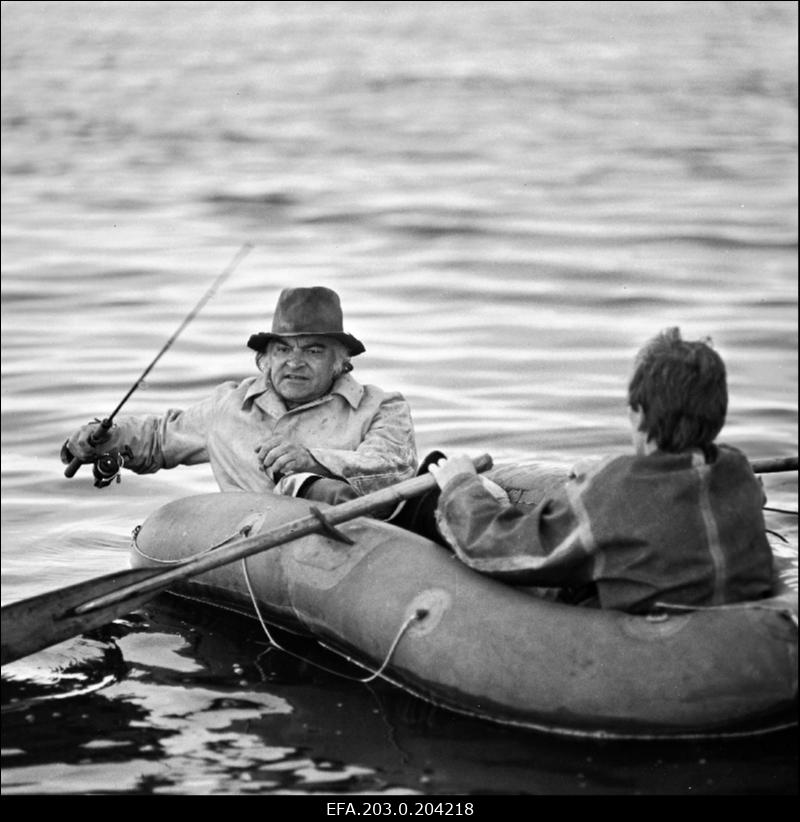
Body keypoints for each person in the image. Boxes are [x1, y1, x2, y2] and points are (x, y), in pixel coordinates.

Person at [428, 327, 775, 613]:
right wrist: (608, 474)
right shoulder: (738, 471)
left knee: (436, 497)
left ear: (638, 413)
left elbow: (497, 548)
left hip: (646, 644)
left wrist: (461, 485)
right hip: (736, 632)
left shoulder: (615, 490)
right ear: (718, 412)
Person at [62, 286, 418, 509]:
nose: (294, 363)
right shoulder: (231, 405)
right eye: (282, 349)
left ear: (340, 363)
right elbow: (159, 438)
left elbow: (395, 470)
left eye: (312, 351)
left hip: (356, 544)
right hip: (252, 553)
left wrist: (314, 461)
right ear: (266, 358)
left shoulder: (382, 407)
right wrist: (104, 437)